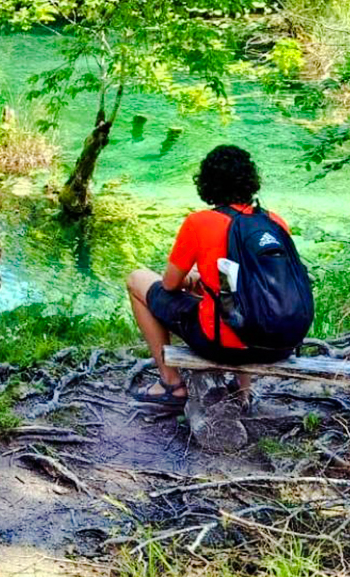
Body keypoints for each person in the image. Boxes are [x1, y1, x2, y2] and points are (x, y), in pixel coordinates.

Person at [127, 144, 296, 405]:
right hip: (279, 344)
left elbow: (170, 284)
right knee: (231, 302)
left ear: (206, 183)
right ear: (251, 180)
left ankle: (170, 384)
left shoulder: (199, 222)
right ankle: (244, 390)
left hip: (221, 344)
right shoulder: (274, 222)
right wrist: (208, 283)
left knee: (136, 279)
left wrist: (193, 279)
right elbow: (261, 284)